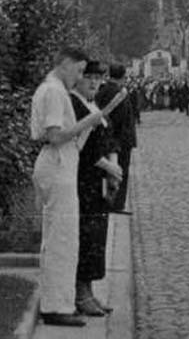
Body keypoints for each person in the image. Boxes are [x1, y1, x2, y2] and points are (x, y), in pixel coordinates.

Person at [30, 47, 126, 327]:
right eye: (80, 71)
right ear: (65, 64)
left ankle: (62, 302)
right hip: (57, 162)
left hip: (63, 163)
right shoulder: (53, 91)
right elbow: (55, 135)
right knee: (61, 240)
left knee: (65, 239)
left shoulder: (55, 90)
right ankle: (56, 306)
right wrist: (90, 120)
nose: (82, 77)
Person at [70, 61, 123, 317]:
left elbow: (109, 137)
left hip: (99, 182)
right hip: (84, 180)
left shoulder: (94, 106)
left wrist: (113, 165)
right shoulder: (75, 105)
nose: (94, 83)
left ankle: (90, 291)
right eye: (88, 77)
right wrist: (108, 167)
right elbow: (83, 148)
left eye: (98, 78)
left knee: (96, 237)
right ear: (78, 79)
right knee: (86, 236)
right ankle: (80, 293)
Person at [95, 64, 136, 215]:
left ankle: (105, 200)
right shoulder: (120, 93)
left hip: (103, 137)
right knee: (121, 172)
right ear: (123, 76)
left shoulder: (101, 91)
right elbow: (122, 119)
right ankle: (117, 204)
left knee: (105, 171)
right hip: (120, 139)